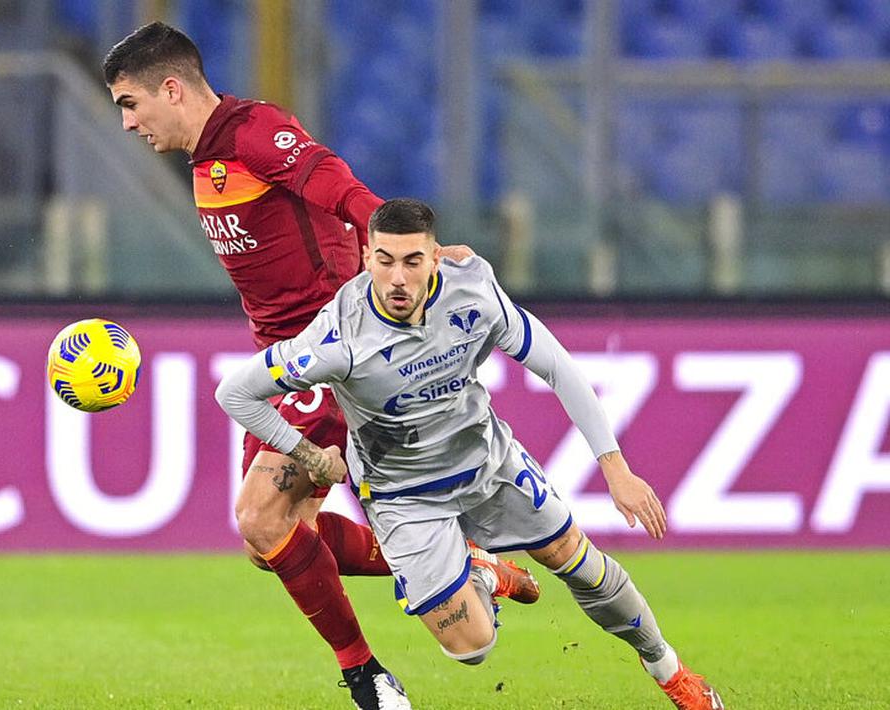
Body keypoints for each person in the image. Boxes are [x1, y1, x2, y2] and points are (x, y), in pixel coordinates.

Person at [102, 22, 537, 709]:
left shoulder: (252, 130)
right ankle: (463, 564)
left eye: (130, 103)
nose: (127, 122)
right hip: (277, 363)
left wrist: (399, 245)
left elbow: (332, 184)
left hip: (329, 353)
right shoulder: (207, 159)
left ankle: (367, 679)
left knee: (259, 518)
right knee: (271, 538)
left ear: (172, 88)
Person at [216, 198, 726, 710]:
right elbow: (235, 392)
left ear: (435, 258)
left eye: (412, 261)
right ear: (366, 257)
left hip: (487, 463)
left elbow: (555, 364)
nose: (398, 278)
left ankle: (672, 672)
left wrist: (615, 467)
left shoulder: (472, 288)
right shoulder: (337, 336)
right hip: (403, 496)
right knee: (472, 648)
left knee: (578, 563)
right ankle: (480, 569)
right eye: (385, 260)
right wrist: (306, 453)